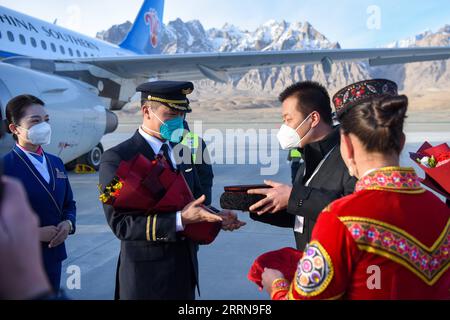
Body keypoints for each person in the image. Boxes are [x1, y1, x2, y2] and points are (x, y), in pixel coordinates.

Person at [261, 79, 450, 299]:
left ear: (347, 146)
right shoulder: (441, 211)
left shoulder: (341, 219)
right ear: (401, 142)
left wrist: (277, 285)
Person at [99, 81, 245, 300]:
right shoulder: (117, 159)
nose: (178, 121)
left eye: (182, 115)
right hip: (146, 279)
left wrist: (215, 217)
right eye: (170, 114)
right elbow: (120, 224)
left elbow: (193, 200)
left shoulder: (185, 150)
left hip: (185, 271)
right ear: (146, 111)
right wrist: (180, 219)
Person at [249, 81, 356, 250]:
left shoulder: (349, 157)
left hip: (338, 267)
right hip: (311, 266)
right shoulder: (309, 157)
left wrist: (294, 197)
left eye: (288, 120)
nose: (284, 127)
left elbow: (353, 213)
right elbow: (306, 216)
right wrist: (262, 205)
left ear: (313, 118)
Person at [2, 95, 77, 292]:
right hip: (18, 261)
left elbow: (69, 204)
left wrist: (68, 224)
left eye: (46, 120)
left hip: (54, 255)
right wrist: (33, 233)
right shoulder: (5, 167)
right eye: (35, 121)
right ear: (14, 128)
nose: (44, 126)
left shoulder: (56, 163)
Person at [181, 120, 214, 206]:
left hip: (191, 207)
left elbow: (205, 176)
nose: (177, 116)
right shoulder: (147, 142)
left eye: (181, 113)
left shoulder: (195, 142)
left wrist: (203, 205)